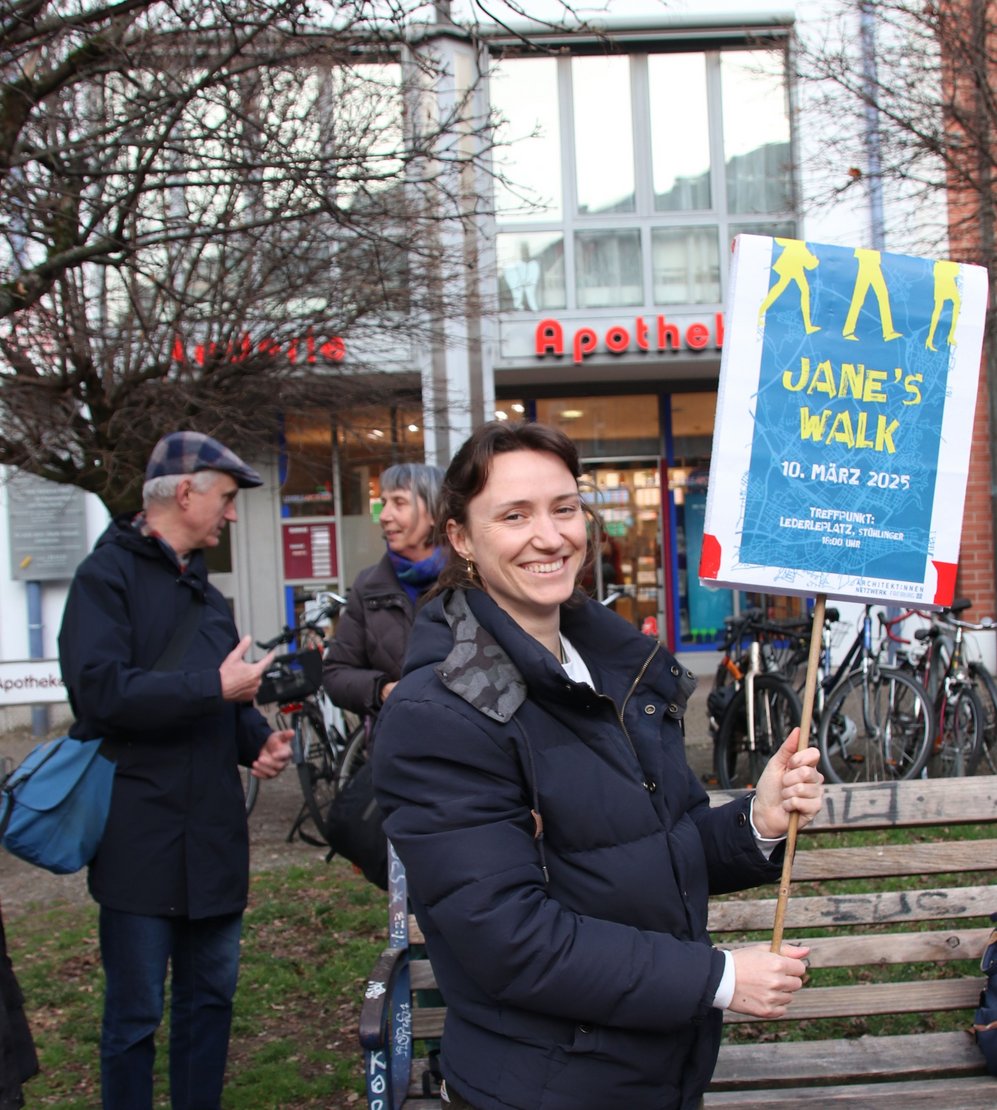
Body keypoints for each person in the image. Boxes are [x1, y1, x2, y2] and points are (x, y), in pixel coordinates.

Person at [372, 421, 824, 1110]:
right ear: (460, 537)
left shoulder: (609, 670)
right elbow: (510, 939)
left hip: (654, 1072)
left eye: (562, 507)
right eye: (513, 515)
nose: (550, 536)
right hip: (547, 1085)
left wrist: (755, 824)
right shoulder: (443, 714)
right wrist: (720, 979)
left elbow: (638, 855)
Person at [57, 431, 293, 1110]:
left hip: (214, 843)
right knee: (133, 1018)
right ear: (184, 493)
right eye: (224, 498)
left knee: (210, 1002)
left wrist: (256, 744)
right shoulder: (105, 579)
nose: (230, 515)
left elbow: (227, 693)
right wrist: (211, 693)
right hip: (139, 841)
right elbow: (98, 694)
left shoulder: (207, 597)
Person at [322, 462, 445, 715]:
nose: (385, 515)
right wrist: (382, 690)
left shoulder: (472, 580)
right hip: (396, 744)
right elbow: (336, 674)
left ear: (434, 513)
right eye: (384, 502)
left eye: (399, 503)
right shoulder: (368, 586)